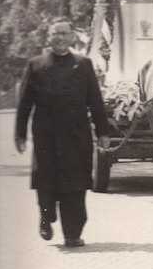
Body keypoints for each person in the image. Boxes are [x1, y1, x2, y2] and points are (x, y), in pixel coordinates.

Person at [15, 17, 110, 247]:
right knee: (46, 181)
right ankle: (46, 217)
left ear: (72, 37)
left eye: (64, 33)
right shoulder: (36, 65)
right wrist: (20, 134)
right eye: (56, 33)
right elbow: (25, 103)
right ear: (49, 37)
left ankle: (73, 234)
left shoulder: (83, 64)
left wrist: (103, 132)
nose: (60, 38)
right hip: (46, 136)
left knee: (75, 185)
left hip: (76, 135)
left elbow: (95, 101)